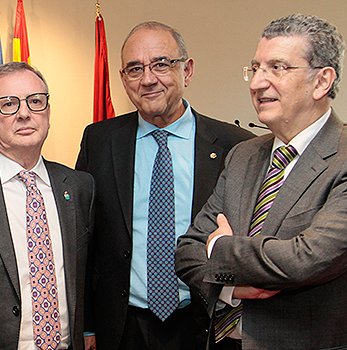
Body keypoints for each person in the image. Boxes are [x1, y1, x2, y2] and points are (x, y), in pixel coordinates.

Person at [175, 14, 347, 350]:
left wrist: (219, 249)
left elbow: (305, 260)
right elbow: (187, 251)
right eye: (255, 68)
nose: (257, 83)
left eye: (277, 68)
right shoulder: (243, 155)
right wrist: (230, 286)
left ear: (322, 81)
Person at [75, 22, 254, 350]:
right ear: (123, 78)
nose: (148, 79)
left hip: (207, 322)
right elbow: (85, 241)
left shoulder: (237, 147)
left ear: (187, 70)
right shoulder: (99, 142)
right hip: (123, 325)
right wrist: (87, 325)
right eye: (135, 68)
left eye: (161, 64)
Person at [0, 62, 95, 350]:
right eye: (8, 104)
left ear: (48, 112)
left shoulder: (78, 186)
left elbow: (89, 275)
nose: (24, 113)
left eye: (35, 101)